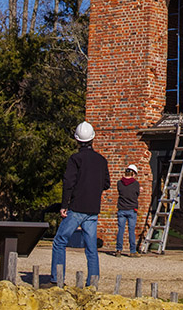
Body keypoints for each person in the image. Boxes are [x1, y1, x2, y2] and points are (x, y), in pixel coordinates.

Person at [50, 121, 110, 286]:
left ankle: (57, 279)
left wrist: (64, 205)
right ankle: (93, 282)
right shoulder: (101, 160)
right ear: (92, 139)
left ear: (77, 140)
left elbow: (68, 182)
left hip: (76, 208)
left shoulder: (75, 159)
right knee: (91, 249)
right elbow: (106, 184)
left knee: (60, 241)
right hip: (93, 209)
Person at [115, 164, 141, 256]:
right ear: (133, 174)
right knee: (131, 231)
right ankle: (132, 251)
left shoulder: (119, 183)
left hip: (121, 209)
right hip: (131, 209)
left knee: (120, 230)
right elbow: (136, 194)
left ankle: (118, 250)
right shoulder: (136, 184)